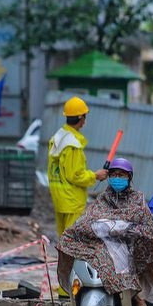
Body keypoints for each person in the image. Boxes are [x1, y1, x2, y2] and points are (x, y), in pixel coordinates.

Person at [56, 158, 153, 306]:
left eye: (121, 175)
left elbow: (145, 224)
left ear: (129, 178)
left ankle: (140, 302)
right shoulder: (103, 198)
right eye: (114, 174)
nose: (117, 178)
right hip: (104, 244)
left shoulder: (137, 198)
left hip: (130, 245)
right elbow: (90, 218)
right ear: (109, 177)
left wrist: (127, 229)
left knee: (121, 259)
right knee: (70, 237)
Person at [47, 96, 108, 237]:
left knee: (63, 240)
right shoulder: (72, 144)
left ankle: (62, 260)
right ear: (82, 119)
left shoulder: (59, 137)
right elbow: (75, 175)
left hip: (59, 197)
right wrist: (95, 175)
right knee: (71, 242)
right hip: (72, 200)